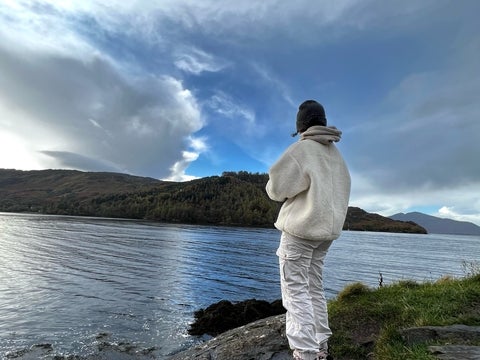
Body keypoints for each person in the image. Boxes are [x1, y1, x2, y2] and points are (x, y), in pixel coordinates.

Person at [266, 100, 351, 360]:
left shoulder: (301, 151)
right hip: (326, 234)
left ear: (301, 126)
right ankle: (321, 345)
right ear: (323, 122)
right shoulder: (337, 156)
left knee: (295, 291)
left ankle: (305, 352)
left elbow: (276, 189)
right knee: (314, 287)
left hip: (300, 233)